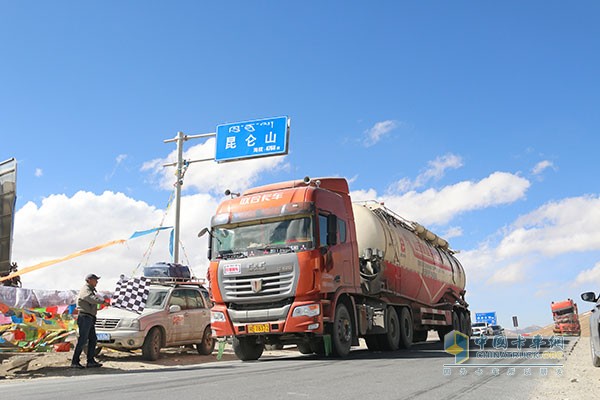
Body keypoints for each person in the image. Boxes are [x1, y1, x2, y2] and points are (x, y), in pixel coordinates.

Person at [71, 273, 107, 369]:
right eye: (95, 280)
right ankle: (75, 361)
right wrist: (102, 301)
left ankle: (90, 361)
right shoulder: (85, 290)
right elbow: (90, 299)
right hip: (84, 317)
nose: (97, 282)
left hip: (89, 317)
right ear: (89, 280)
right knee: (83, 340)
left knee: (93, 339)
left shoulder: (90, 290)